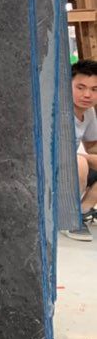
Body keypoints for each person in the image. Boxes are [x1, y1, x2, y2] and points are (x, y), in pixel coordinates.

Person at [66, 59, 97, 241]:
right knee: (79, 162)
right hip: (47, 172)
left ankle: (82, 211)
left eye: (94, 89)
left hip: (72, 167)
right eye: (80, 87)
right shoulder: (59, 110)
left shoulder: (89, 112)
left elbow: (93, 146)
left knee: (81, 161)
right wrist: (87, 158)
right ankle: (67, 218)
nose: (87, 95)